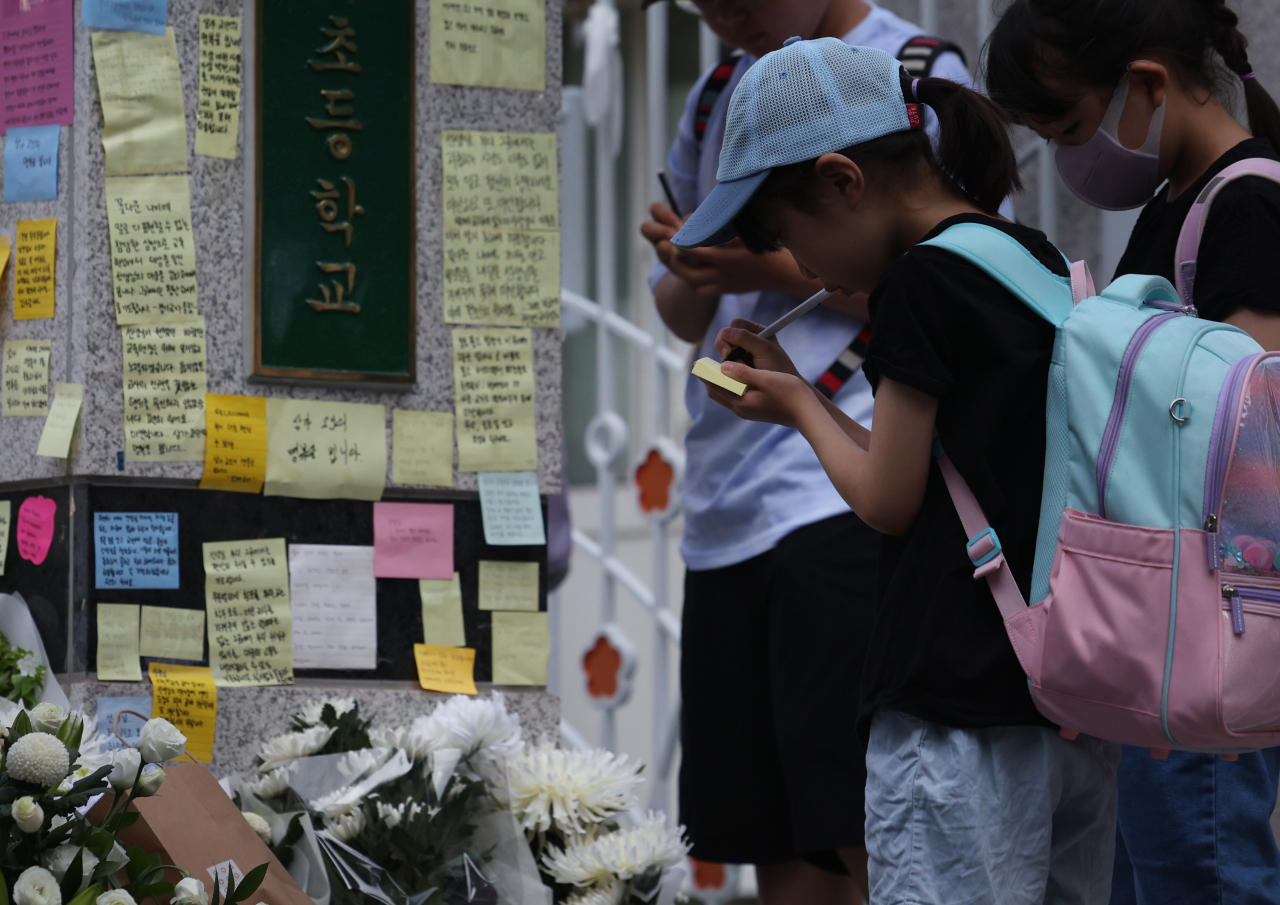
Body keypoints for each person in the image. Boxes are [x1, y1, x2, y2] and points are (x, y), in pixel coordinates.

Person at [672, 37, 1122, 904]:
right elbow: (941, 463)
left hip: (953, 707)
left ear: (843, 181)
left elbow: (887, 499)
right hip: (1060, 699)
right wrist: (800, 391)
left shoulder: (918, 283)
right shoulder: (1028, 258)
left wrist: (802, 408)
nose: (799, 269)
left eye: (786, 236)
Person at [637, 3, 974, 902]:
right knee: (770, 826)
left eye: (785, 231)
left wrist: (758, 270)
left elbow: (942, 277)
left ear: (844, 179)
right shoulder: (715, 96)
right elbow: (676, 310)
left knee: (858, 819)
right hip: (726, 501)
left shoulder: (909, 75)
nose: (724, 16)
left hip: (838, 492)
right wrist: (696, 267)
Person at [985, 2, 1280, 900]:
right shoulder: (1178, 204)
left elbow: (1248, 433)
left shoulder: (1250, 203)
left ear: (1147, 85)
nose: (1068, 158)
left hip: (1203, 622)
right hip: (1162, 618)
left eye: (1067, 127)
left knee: (1200, 867)